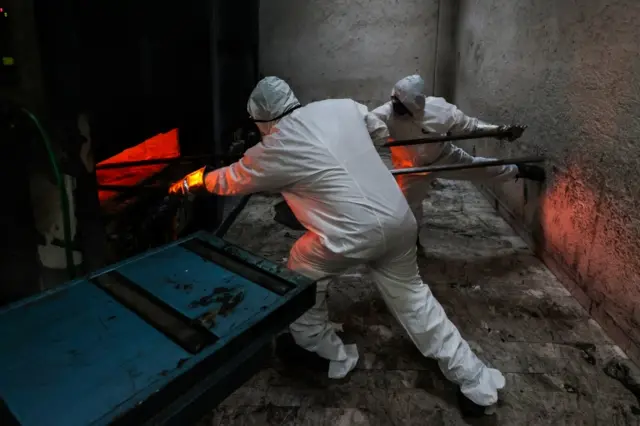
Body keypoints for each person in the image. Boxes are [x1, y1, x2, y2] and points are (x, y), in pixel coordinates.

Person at [169, 76, 505, 415]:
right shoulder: (341, 108)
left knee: (301, 269)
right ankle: (475, 380)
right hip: (399, 219)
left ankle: (320, 347)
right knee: (416, 301)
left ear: (263, 118)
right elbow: (376, 130)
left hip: (352, 235)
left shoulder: (273, 149)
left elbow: (232, 178)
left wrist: (191, 183)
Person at [368, 74, 546, 251]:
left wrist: (500, 131)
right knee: (407, 208)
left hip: (443, 157)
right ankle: (411, 245)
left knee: (481, 169)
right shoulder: (385, 113)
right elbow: (365, 124)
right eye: (395, 102)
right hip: (411, 168)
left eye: (401, 106)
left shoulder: (440, 109)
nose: (397, 108)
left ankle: (518, 170)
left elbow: (471, 126)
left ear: (415, 104)